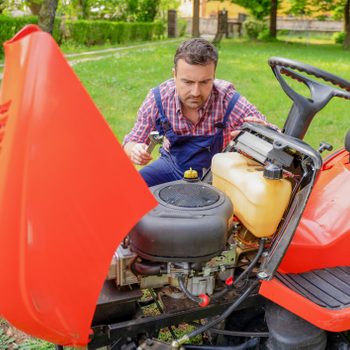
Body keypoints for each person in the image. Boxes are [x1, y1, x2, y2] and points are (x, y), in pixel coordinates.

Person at [123, 38, 270, 187]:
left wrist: (263, 131)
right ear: (174, 75)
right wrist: (135, 149)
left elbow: (273, 135)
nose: (195, 92)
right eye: (187, 82)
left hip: (216, 176)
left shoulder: (228, 100)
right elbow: (130, 142)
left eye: (205, 82)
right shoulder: (158, 99)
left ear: (214, 75)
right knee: (130, 188)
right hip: (171, 167)